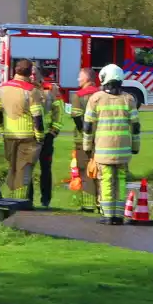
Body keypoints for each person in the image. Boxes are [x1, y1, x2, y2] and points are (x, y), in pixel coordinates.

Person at [83, 64, 140, 225]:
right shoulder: (128, 99)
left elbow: (88, 126)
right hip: (123, 152)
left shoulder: (96, 99)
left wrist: (87, 147)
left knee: (106, 181)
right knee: (121, 181)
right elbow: (135, 126)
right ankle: (119, 215)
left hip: (103, 151)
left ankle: (108, 215)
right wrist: (135, 147)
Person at [0, 59, 45, 201]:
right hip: (28, 136)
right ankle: (20, 201)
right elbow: (37, 117)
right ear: (30, 72)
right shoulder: (31, 91)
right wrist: (40, 136)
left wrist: (1, 129)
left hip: (9, 135)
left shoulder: (2, 88)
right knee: (24, 170)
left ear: (15, 70)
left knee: (13, 168)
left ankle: (11, 198)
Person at [68, 67, 100, 212]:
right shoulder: (101, 95)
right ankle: (102, 203)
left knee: (85, 170)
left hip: (82, 139)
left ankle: (88, 205)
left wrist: (83, 131)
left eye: (80, 77)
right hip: (100, 139)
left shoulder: (78, 96)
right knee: (100, 170)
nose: (78, 80)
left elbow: (76, 116)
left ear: (87, 78)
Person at [33, 66, 64, 209]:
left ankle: (46, 200)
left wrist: (54, 132)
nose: (32, 76)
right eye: (30, 73)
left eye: (34, 73)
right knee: (28, 170)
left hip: (46, 136)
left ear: (39, 74)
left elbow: (59, 112)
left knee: (46, 169)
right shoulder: (25, 89)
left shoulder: (51, 89)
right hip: (29, 136)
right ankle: (28, 199)